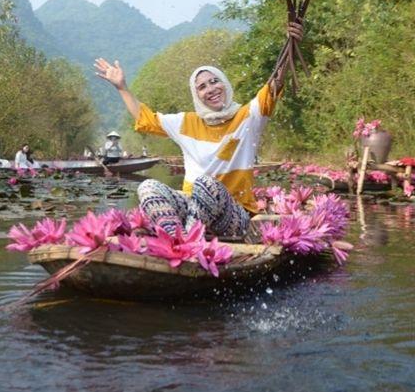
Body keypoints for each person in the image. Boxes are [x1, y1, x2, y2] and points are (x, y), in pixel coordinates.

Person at [93, 22, 303, 237]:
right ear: (197, 96)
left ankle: (188, 241)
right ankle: (176, 238)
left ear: (225, 84)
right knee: (147, 187)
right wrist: (122, 87)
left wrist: (290, 46)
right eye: (202, 87)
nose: (211, 89)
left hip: (234, 215)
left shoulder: (248, 117)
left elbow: (274, 86)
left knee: (206, 183)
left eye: (214, 81)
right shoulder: (186, 122)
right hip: (193, 206)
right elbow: (145, 119)